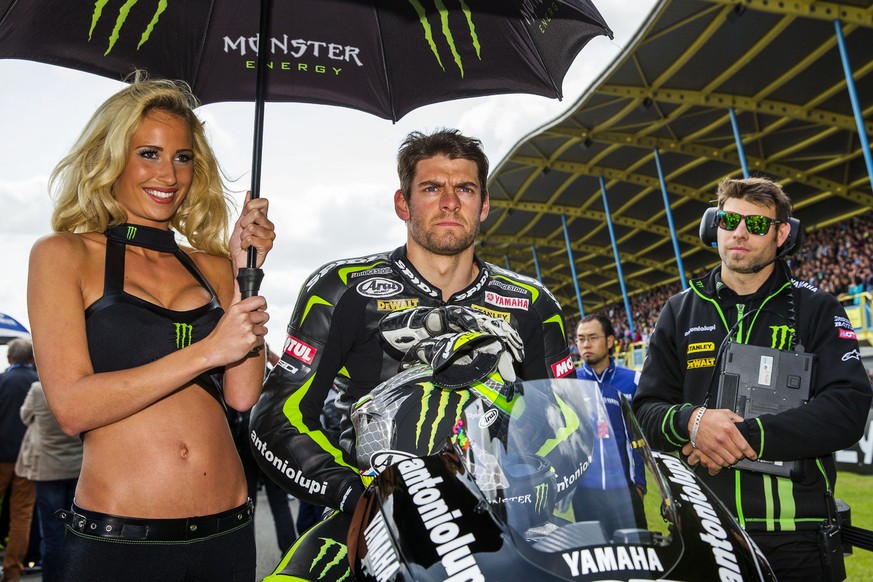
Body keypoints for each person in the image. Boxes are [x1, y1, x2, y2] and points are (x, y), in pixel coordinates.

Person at [250, 128, 572, 580]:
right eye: (432, 188)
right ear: (403, 204)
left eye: (465, 189)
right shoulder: (342, 288)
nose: (450, 202)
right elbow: (276, 419)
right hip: (370, 519)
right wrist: (358, 494)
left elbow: (566, 423)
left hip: (502, 523)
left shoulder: (533, 303)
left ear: (483, 206)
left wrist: (529, 487)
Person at [26, 74, 274, 582]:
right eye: (149, 154)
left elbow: (242, 395)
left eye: (183, 157)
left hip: (227, 532)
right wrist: (207, 351)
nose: (169, 174)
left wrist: (245, 271)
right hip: (120, 540)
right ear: (111, 158)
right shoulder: (63, 255)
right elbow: (72, 408)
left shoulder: (214, 266)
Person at [632, 177, 872, 580]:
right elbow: (645, 412)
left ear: (782, 234)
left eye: (757, 224)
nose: (739, 233)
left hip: (797, 539)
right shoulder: (678, 311)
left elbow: (847, 409)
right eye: (729, 221)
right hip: (702, 534)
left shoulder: (818, 308)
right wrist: (694, 423)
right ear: (714, 226)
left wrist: (741, 437)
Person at [572, 315, 645, 536]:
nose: (586, 344)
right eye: (581, 339)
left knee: (637, 554)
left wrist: (639, 483)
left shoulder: (634, 381)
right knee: (596, 555)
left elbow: (640, 437)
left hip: (625, 490)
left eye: (593, 337)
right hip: (584, 495)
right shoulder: (570, 383)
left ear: (610, 341)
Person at [14, 381, 83, 582]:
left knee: (52, 533)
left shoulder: (39, 389)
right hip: (77, 467)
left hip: (49, 469)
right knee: (74, 531)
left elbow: (25, 416)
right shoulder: (81, 387)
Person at [0, 339, 39, 582]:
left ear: (9, 358)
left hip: (0, 456)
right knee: (22, 516)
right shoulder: (38, 384)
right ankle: (12, 572)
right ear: (31, 358)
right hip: (28, 460)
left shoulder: (2, 381)